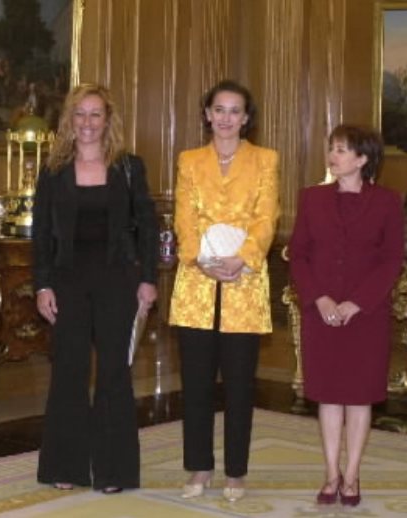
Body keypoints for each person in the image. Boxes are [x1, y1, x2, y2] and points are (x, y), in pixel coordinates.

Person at [32, 83, 158, 493]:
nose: (87, 123)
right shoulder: (52, 170)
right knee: (68, 372)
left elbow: (148, 227)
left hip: (118, 281)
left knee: (113, 374)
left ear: (108, 120)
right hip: (67, 283)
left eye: (95, 114)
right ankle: (65, 467)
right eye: (80, 114)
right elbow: (41, 236)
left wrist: (148, 280)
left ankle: (113, 471)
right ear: (69, 120)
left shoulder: (128, 166)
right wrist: (42, 285)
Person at [169, 80, 279, 502]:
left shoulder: (265, 159)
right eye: (219, 109)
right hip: (197, 282)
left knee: (239, 385)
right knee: (196, 384)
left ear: (246, 118)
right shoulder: (190, 160)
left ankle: (236, 471)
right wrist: (199, 258)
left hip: (244, 282)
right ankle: (199, 467)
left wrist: (243, 258)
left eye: (235, 111)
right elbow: (184, 216)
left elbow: (267, 217)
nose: (227, 117)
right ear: (207, 114)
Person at [288, 125, 404, 506]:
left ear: (363, 159)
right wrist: (318, 298)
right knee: (328, 396)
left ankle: (352, 476)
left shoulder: (387, 202)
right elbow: (299, 254)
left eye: (341, 150)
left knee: (358, 397)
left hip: (365, 316)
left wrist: (357, 303)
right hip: (320, 313)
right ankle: (330, 473)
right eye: (332, 149)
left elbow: (391, 260)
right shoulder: (312, 198)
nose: (333, 156)